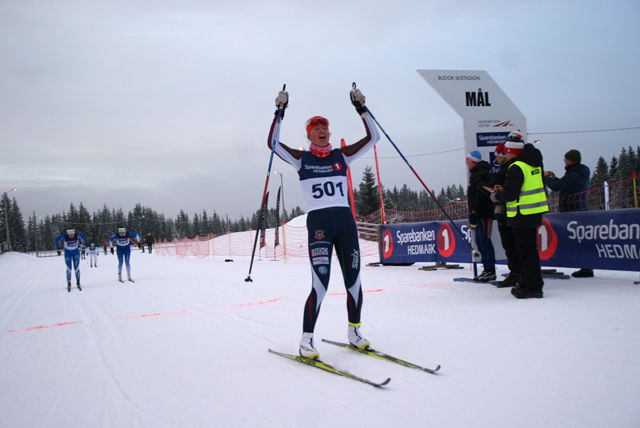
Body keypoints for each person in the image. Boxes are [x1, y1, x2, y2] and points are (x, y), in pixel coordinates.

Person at [268, 85, 380, 359]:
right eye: (317, 128)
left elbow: (373, 136)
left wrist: (361, 107)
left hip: (345, 223)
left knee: (354, 280)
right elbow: (272, 144)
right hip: (319, 225)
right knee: (321, 283)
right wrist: (279, 111)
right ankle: (306, 341)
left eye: (325, 128)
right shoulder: (301, 158)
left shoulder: (341, 156)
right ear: (309, 135)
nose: (322, 131)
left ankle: (355, 332)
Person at [491, 131, 549, 299]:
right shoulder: (533, 164)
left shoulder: (517, 167)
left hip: (521, 213)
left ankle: (532, 287)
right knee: (529, 252)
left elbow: (511, 193)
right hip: (533, 212)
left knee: (526, 252)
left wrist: (497, 196)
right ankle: (530, 283)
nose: (506, 154)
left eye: (507, 151)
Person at [544, 149, 593, 278]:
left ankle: (586, 268)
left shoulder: (574, 174)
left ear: (570, 160)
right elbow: (566, 184)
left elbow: (557, 186)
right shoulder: (578, 173)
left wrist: (547, 178)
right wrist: (555, 179)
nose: (564, 162)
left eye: (565, 159)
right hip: (578, 209)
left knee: (578, 240)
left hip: (573, 210)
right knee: (580, 239)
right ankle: (586, 267)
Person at [491, 143, 520, 287]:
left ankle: (517, 273)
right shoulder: (506, 169)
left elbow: (508, 191)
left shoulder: (510, 169)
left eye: (498, 156)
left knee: (511, 245)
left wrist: (496, 194)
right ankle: (516, 272)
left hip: (509, 212)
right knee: (509, 245)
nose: (496, 159)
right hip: (507, 211)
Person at [466, 150, 496, 281]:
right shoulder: (475, 175)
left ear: (472, 161)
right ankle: (486, 268)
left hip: (484, 213)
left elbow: (482, 195)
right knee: (479, 241)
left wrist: (475, 210)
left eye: (468, 161)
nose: (466, 164)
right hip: (477, 213)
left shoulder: (481, 175)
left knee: (484, 240)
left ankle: (490, 269)